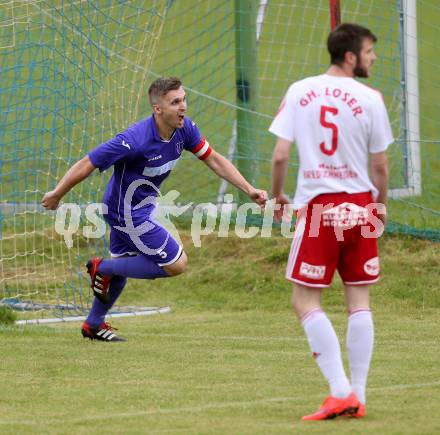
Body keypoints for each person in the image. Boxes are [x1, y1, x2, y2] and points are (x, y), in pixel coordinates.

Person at [42, 76, 267, 342]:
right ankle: (103, 269)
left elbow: (215, 159)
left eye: (183, 99)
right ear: (157, 109)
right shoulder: (133, 140)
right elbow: (88, 162)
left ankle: (93, 323)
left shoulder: (185, 129)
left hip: (139, 208)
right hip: (125, 212)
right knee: (176, 263)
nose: (183, 106)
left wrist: (248, 189)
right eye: (175, 102)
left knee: (122, 270)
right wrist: (58, 193)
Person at [269, 23, 392, 420]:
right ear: (351, 56)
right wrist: (381, 205)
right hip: (361, 205)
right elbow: (380, 165)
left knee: (304, 300)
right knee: (359, 301)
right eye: (370, 51)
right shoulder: (371, 98)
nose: (373, 58)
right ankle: (357, 394)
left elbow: (280, 156)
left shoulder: (300, 90)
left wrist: (278, 195)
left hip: (321, 206)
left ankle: (340, 391)